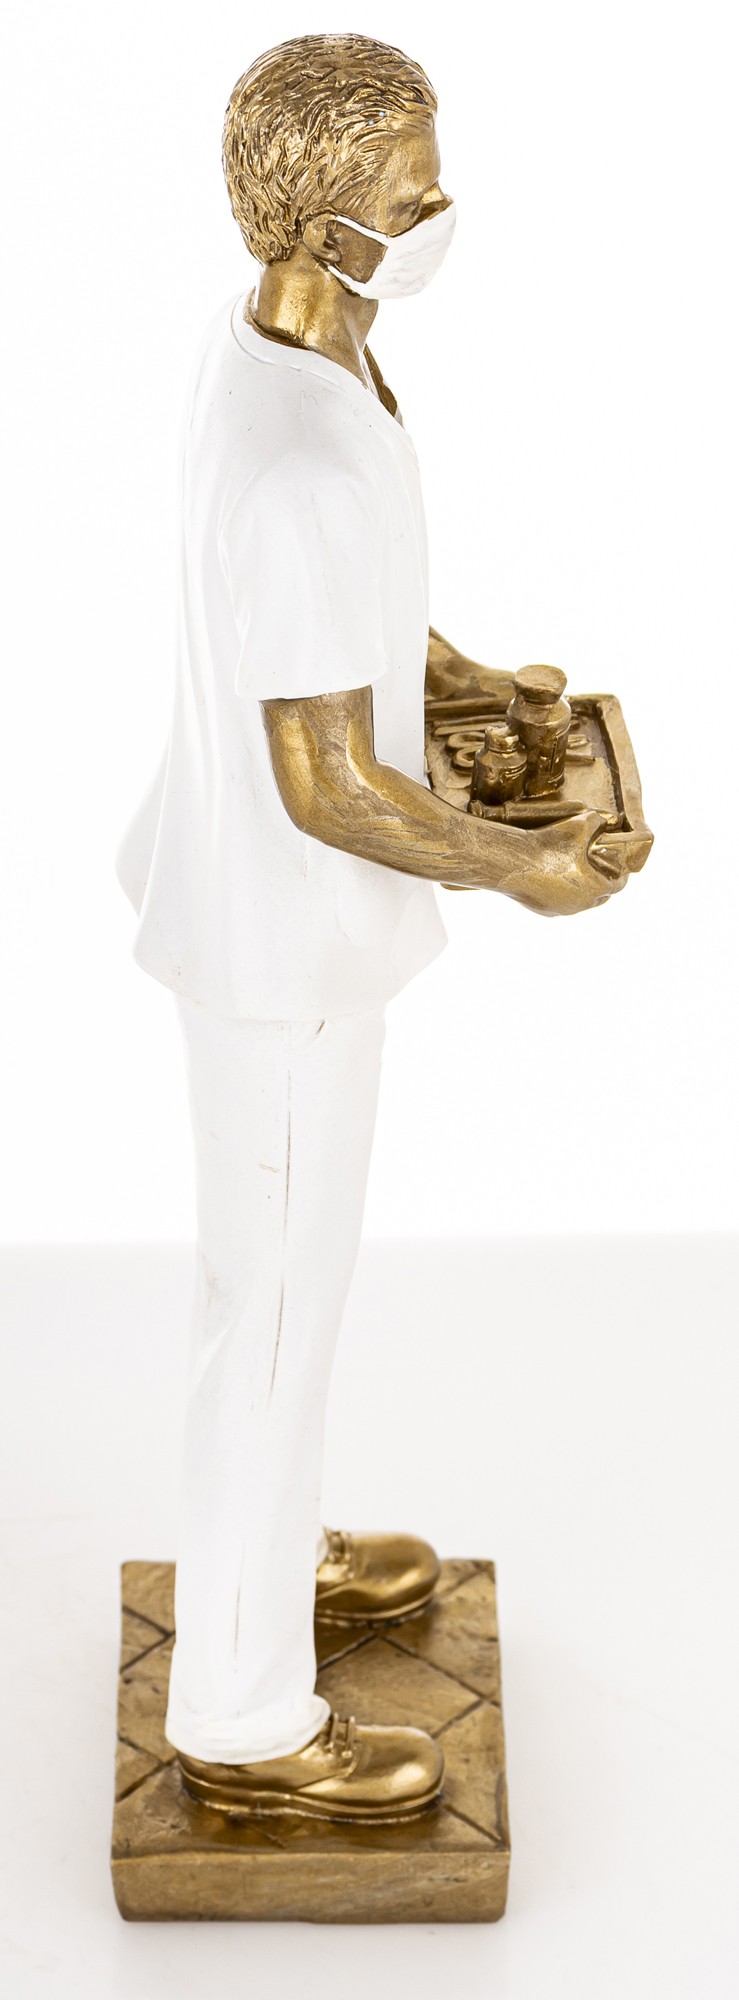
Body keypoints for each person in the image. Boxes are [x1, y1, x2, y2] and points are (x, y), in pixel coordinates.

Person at [117, 32, 625, 1823]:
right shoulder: (298, 466)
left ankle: (266, 1553)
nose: (439, 216)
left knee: (276, 1301)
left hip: (279, 935)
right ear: (323, 221)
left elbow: (342, 622)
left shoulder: (286, 347)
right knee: (270, 1316)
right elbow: (328, 785)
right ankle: (245, 1718)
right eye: (414, 200)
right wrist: (521, 866)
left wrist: (464, 682)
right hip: (284, 957)